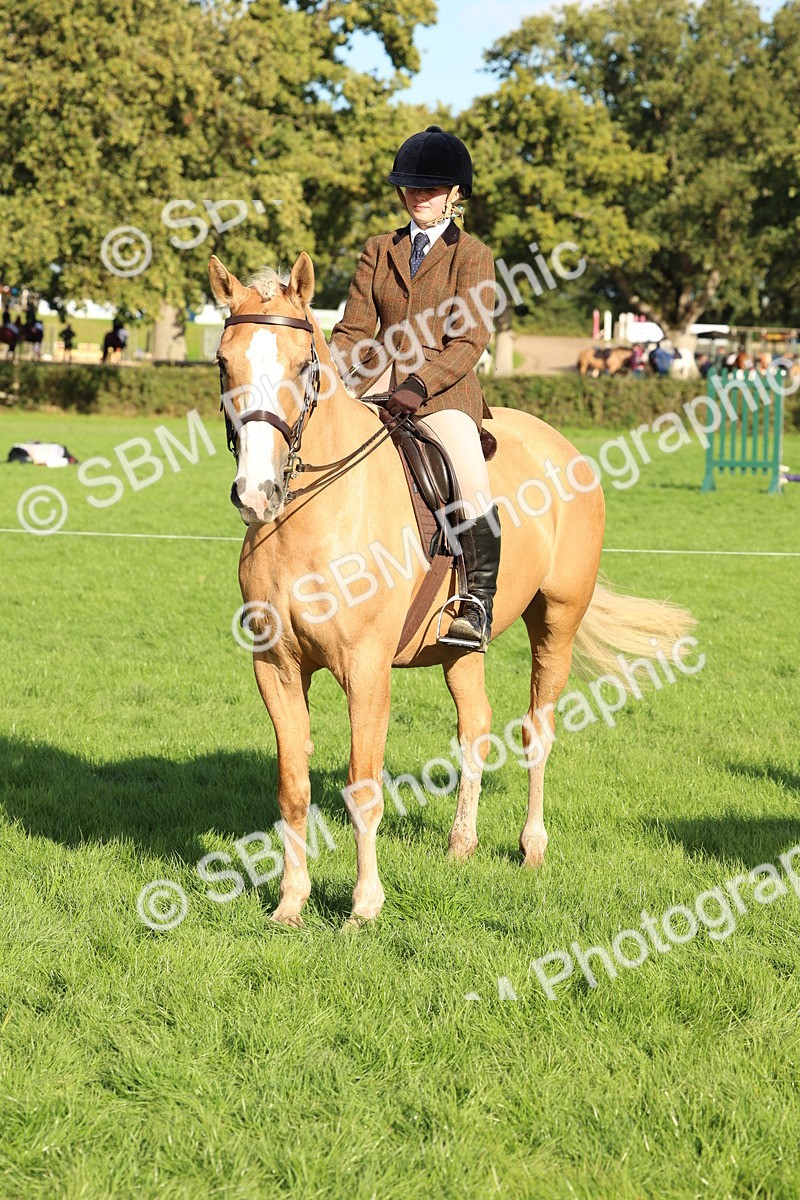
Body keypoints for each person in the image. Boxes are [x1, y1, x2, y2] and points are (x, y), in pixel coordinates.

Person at [331, 125, 499, 651]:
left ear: (455, 195)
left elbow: (469, 342)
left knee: (468, 473)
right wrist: (332, 378)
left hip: (444, 391)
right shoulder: (379, 250)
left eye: (430, 189)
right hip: (378, 379)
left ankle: (476, 603)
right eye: (411, 187)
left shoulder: (473, 255)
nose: (419, 197)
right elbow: (354, 330)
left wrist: (420, 385)